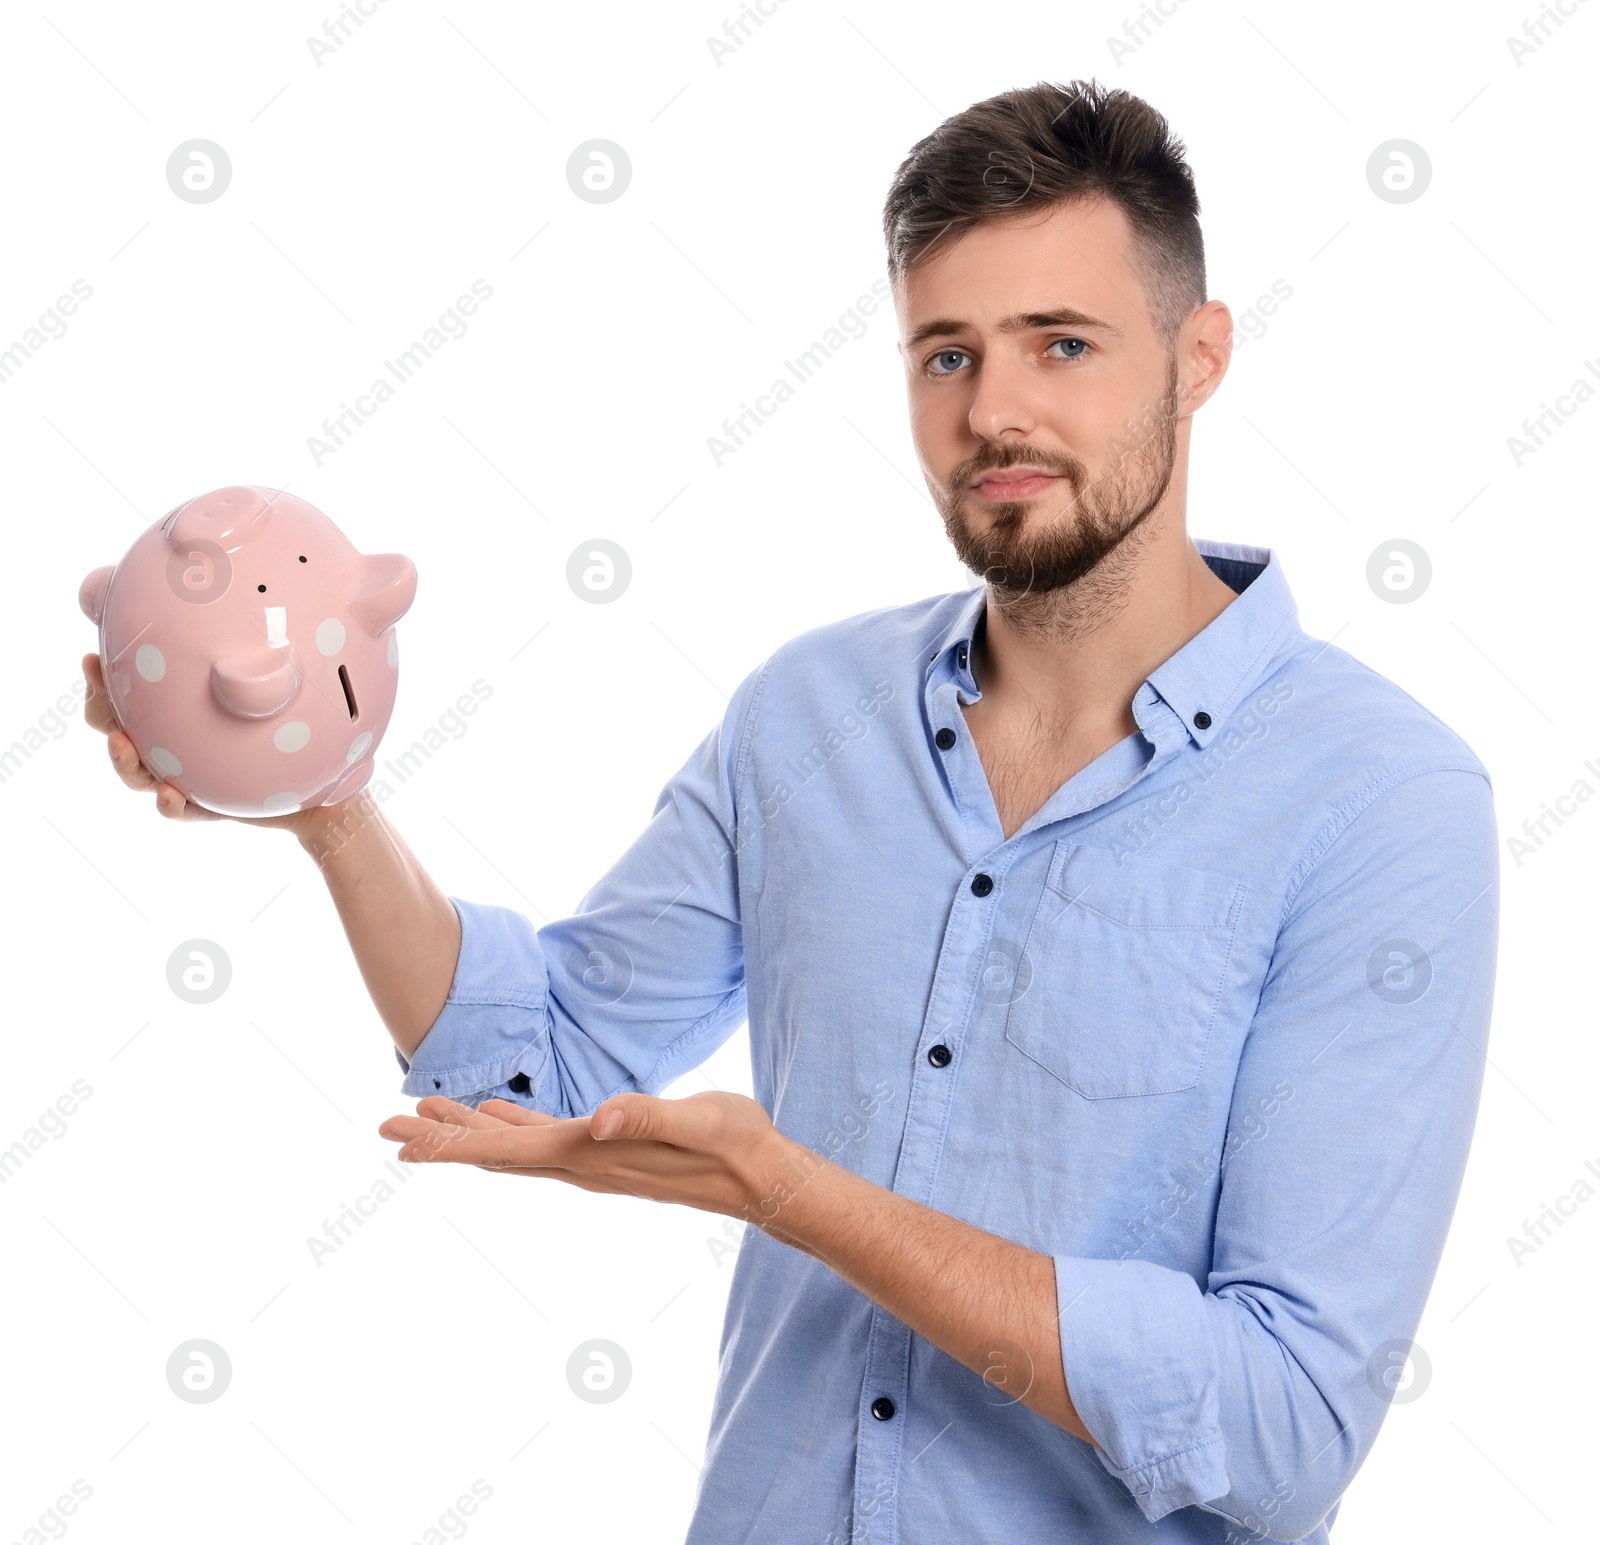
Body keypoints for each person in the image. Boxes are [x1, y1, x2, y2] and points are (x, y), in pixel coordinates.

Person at [85, 78, 1498, 1545]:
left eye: (1061, 345)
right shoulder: (810, 713)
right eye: (944, 354)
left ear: (1197, 357)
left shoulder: (1383, 805)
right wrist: (329, 805)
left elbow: (1285, 1425)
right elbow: (541, 1063)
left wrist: (799, 1194)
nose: (993, 412)